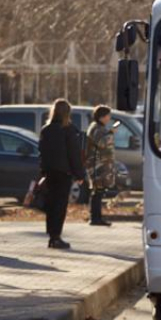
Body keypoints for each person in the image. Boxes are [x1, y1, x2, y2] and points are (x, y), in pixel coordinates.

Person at [38, 99, 85, 250]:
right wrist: (80, 174)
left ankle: (52, 236)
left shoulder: (46, 130)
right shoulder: (69, 130)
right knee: (60, 205)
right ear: (67, 113)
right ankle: (56, 237)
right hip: (63, 173)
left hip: (50, 172)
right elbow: (74, 154)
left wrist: (43, 171)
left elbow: (41, 152)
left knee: (51, 205)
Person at [86, 105, 116, 227]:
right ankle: (95, 218)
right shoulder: (98, 129)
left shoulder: (97, 127)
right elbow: (102, 144)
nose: (109, 118)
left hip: (98, 164)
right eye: (108, 115)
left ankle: (96, 216)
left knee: (98, 191)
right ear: (102, 117)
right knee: (98, 191)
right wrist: (111, 133)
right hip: (98, 165)